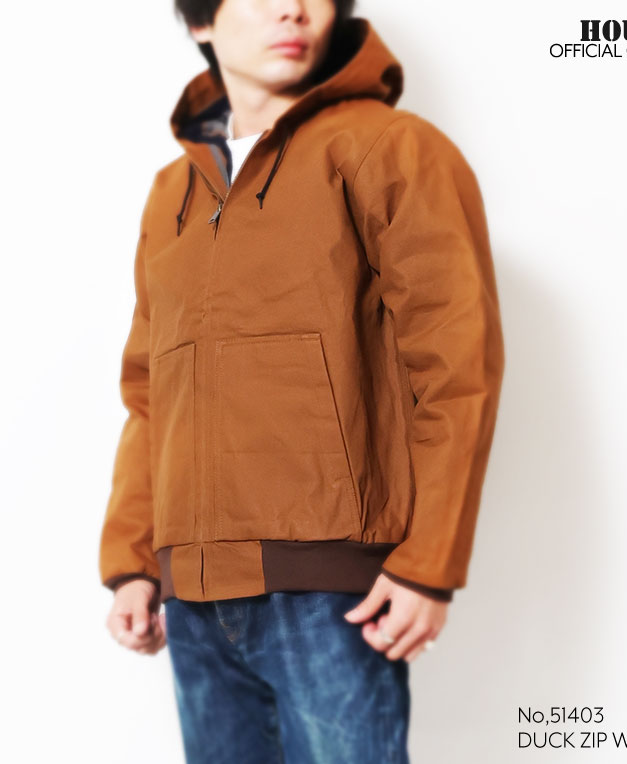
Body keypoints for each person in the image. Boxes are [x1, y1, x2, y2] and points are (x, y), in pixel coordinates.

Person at [99, 0, 504, 761]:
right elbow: (150, 392)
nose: (293, 10)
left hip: (332, 595)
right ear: (202, 21)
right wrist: (133, 560)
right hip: (191, 599)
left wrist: (429, 565)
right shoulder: (171, 192)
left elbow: (458, 366)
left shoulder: (393, 148)